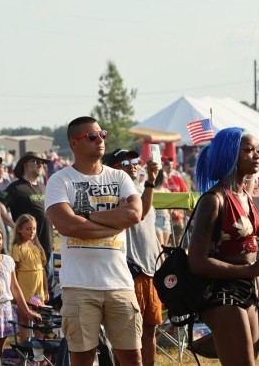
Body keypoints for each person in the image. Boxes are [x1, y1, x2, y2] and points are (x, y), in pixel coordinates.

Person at [45, 116, 143, 366]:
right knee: (83, 358)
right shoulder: (60, 180)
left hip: (119, 282)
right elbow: (66, 224)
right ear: (74, 143)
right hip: (79, 285)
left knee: (132, 357)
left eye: (102, 134)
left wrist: (86, 217)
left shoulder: (120, 178)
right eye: (92, 136)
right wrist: (112, 222)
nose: (100, 140)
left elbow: (134, 214)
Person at [187, 127, 259, 366]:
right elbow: (196, 261)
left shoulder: (246, 196)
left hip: (248, 291)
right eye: (248, 150)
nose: (257, 155)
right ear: (230, 154)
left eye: (258, 150)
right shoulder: (213, 200)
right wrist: (249, 271)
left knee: (249, 359)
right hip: (221, 292)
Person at [102, 148, 162, 366]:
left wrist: (160, 260)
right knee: (128, 334)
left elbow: (150, 230)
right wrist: (150, 183)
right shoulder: (117, 193)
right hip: (131, 271)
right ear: (114, 168)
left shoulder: (141, 190)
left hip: (150, 271)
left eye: (135, 160)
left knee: (150, 330)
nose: (134, 164)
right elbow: (140, 214)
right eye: (126, 162)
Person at [0, 222, 41, 357]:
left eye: (0, 238)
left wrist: (26, 311)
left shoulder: (7, 261)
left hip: (5, 309)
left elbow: (15, 287)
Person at [0, 151, 54, 293]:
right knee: (31, 288)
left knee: (47, 287)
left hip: (46, 243)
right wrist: (13, 225)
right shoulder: (15, 187)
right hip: (27, 249)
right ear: (25, 165)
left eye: (42, 163)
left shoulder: (43, 186)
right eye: (36, 162)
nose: (40, 165)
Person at [10, 214, 49, 343]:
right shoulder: (18, 249)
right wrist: (14, 293)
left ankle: (40, 352)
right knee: (25, 319)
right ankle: (25, 350)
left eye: (34, 229)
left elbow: (42, 270)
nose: (32, 232)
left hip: (38, 291)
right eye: (28, 229)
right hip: (25, 289)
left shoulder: (37, 247)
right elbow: (14, 271)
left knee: (39, 318)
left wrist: (46, 290)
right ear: (19, 229)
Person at [153, 173, 172, 247]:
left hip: (166, 221)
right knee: (160, 246)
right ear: (161, 178)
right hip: (156, 220)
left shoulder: (167, 191)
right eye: (165, 177)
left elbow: (171, 207)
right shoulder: (153, 191)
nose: (167, 178)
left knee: (165, 247)